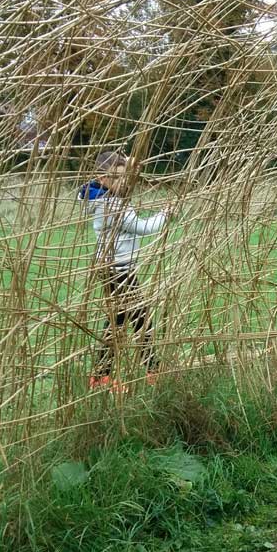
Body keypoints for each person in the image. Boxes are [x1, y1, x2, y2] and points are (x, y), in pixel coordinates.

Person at [78, 152, 170, 391]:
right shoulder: (111, 206)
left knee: (117, 322)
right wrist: (166, 214)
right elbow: (143, 227)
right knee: (141, 319)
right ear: (102, 177)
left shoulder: (98, 198)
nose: (123, 182)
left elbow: (126, 183)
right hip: (119, 271)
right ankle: (152, 369)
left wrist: (131, 165)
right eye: (117, 178)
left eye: (124, 177)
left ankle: (100, 377)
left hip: (110, 269)